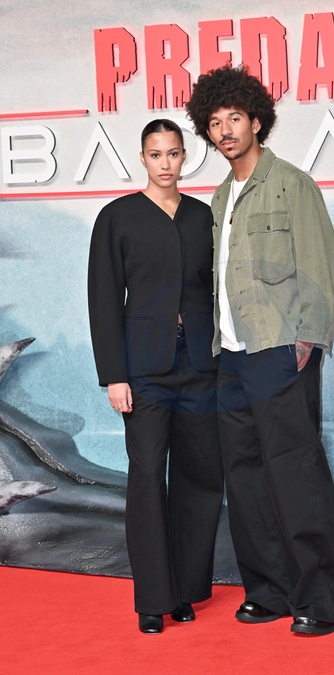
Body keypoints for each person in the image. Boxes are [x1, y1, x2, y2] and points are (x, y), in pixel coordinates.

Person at [186, 65, 334, 636]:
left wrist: (309, 338)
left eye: (234, 118)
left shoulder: (291, 185)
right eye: (214, 123)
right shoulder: (219, 197)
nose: (225, 130)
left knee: (295, 473)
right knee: (246, 476)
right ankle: (270, 590)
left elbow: (323, 264)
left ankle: (321, 599)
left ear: (256, 121)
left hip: (280, 349)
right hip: (231, 354)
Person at [87, 119, 224, 634]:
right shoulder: (116, 217)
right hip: (143, 372)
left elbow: (216, 290)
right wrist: (114, 376)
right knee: (147, 478)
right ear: (142, 158)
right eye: (155, 154)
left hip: (200, 366)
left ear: (185, 157)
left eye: (173, 153)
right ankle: (152, 598)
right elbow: (104, 298)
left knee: (199, 478)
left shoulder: (202, 216)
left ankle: (184, 590)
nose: (165, 163)